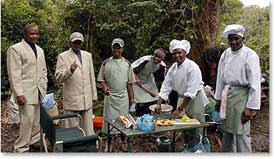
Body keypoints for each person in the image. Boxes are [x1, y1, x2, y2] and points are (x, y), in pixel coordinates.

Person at [215, 24, 261, 152]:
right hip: (227, 96)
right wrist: (218, 98)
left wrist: (251, 107)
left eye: (236, 38)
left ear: (242, 38)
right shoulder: (226, 54)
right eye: (230, 39)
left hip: (242, 97)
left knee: (241, 133)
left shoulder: (250, 55)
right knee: (227, 132)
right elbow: (220, 78)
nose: (233, 42)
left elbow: (255, 82)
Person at [156, 39, 209, 148]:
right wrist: (159, 103)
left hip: (195, 100)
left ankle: (200, 148)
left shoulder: (192, 67)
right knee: (184, 125)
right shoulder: (174, 68)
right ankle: (188, 147)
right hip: (182, 98)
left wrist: (179, 109)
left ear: (185, 52)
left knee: (195, 125)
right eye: (174, 53)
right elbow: (166, 84)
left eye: (179, 52)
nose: (177, 55)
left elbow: (191, 93)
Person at [7, 23, 48, 152]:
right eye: (32, 33)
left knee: (36, 120)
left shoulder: (40, 50)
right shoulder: (15, 49)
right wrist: (18, 93)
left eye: (37, 33)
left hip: (38, 90)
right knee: (27, 120)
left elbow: (43, 70)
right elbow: (14, 73)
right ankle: (21, 147)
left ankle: (34, 141)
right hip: (25, 91)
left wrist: (44, 85)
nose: (35, 36)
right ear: (25, 34)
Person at [55, 32, 98, 135]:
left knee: (88, 130)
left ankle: (88, 148)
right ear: (70, 43)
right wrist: (70, 70)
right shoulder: (63, 56)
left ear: (82, 43)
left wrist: (94, 96)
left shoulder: (88, 56)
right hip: (72, 101)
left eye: (79, 42)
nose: (77, 44)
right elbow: (58, 77)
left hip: (86, 99)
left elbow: (91, 77)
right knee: (72, 130)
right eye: (75, 42)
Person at [97, 38, 135, 133]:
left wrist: (132, 100)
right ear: (111, 48)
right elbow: (101, 79)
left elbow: (129, 84)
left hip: (123, 97)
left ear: (122, 49)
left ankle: (122, 140)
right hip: (110, 97)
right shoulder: (105, 63)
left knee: (124, 120)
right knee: (110, 121)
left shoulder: (127, 64)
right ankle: (110, 140)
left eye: (119, 48)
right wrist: (105, 87)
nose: (116, 50)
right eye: (115, 47)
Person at [131, 48, 166, 116]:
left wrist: (164, 94)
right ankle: (138, 113)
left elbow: (161, 81)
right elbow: (131, 69)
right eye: (155, 55)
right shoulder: (146, 60)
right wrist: (136, 79)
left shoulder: (162, 66)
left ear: (162, 58)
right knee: (139, 100)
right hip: (136, 78)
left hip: (148, 79)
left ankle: (149, 114)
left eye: (159, 57)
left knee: (155, 97)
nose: (156, 58)